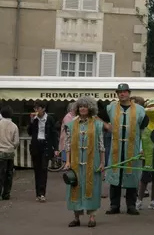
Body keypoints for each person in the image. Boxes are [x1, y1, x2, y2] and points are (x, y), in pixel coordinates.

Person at [105, 83, 149, 215]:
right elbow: (98, 117)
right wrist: (106, 126)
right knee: (115, 177)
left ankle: (131, 205)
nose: (122, 94)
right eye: (119, 92)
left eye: (124, 92)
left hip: (133, 149)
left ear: (129, 93)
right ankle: (114, 205)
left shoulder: (140, 110)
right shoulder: (110, 108)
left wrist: (142, 147)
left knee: (132, 177)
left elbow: (145, 131)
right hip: (116, 149)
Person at [64, 96, 105, 228]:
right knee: (75, 187)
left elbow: (101, 145)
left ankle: (92, 217)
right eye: (80, 106)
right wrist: (68, 161)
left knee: (92, 187)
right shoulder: (71, 124)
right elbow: (68, 144)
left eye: (85, 106)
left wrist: (102, 162)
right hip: (76, 163)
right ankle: (76, 218)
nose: (82, 108)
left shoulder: (97, 124)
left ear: (90, 108)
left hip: (93, 162)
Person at [27, 100, 58, 202]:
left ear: (43, 108)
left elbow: (54, 134)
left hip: (46, 146)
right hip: (36, 146)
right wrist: (31, 122)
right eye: (35, 108)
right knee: (37, 170)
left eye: (38, 108)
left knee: (44, 169)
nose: (36, 110)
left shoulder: (49, 119)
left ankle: (42, 193)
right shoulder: (34, 119)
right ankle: (38, 193)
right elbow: (30, 133)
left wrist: (56, 148)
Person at [0, 106, 19, 200]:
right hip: (10, 153)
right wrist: (12, 146)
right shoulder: (14, 126)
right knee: (9, 174)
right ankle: (6, 194)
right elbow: (16, 142)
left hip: (0, 152)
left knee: (0, 174)